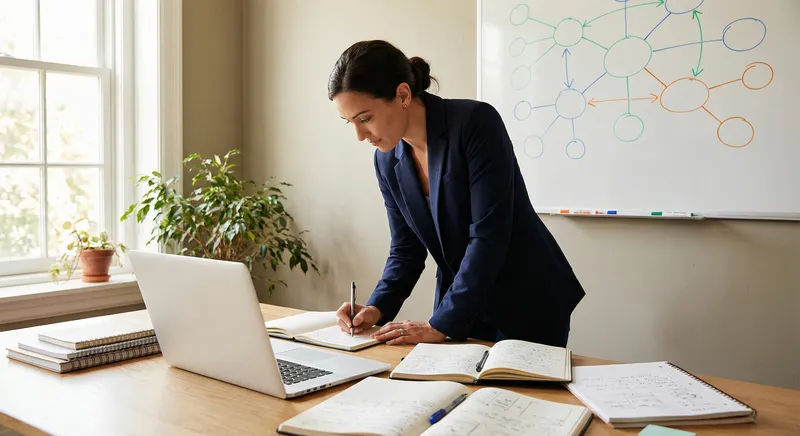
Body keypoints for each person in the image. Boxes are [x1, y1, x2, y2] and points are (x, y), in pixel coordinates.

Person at [328, 40, 585, 348]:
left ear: (403, 94)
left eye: (365, 118)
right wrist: (376, 308)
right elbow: (406, 249)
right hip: (461, 307)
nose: (359, 135)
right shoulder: (386, 160)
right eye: (350, 122)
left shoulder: (475, 122)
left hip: (526, 297)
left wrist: (441, 324)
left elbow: (489, 235)